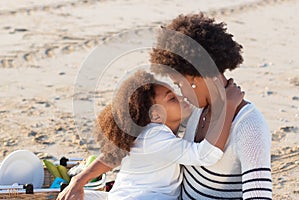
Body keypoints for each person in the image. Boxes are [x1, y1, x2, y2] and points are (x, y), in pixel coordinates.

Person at [57, 70, 243, 200]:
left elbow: (114, 156)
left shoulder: (147, 133)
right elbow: (205, 155)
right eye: (171, 98)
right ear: (155, 114)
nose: (181, 97)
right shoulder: (155, 137)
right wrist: (229, 106)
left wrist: (78, 181)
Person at [150, 13, 272, 199]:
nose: (181, 92)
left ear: (192, 77)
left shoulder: (249, 126)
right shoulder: (197, 111)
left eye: (179, 83)